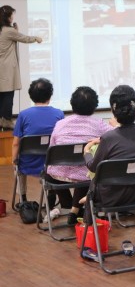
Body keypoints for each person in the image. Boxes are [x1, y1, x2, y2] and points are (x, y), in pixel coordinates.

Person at [83, 85, 135, 221]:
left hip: (111, 198)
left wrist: (86, 152)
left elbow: (93, 167)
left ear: (113, 112)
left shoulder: (108, 138)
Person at [47, 86, 115, 225]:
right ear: (94, 106)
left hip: (58, 175)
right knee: (88, 169)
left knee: (52, 170)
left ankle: (70, 207)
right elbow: (115, 137)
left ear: (72, 104)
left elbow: (51, 150)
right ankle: (75, 208)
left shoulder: (60, 124)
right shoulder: (99, 124)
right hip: (86, 175)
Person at [12, 78, 64, 205]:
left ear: (31, 96)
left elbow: (16, 143)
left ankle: (23, 198)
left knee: (17, 166)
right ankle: (51, 193)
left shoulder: (23, 115)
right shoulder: (59, 114)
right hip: (50, 163)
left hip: (28, 163)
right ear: (50, 95)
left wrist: (14, 160)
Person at [0, 5, 42, 129]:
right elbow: (25, 38)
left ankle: (2, 119)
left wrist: (15, 32)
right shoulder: (9, 31)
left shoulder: (3, 30)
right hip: (6, 68)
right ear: (7, 17)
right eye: (11, 15)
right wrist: (36, 38)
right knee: (8, 94)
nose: (12, 17)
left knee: (1, 95)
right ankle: (6, 120)